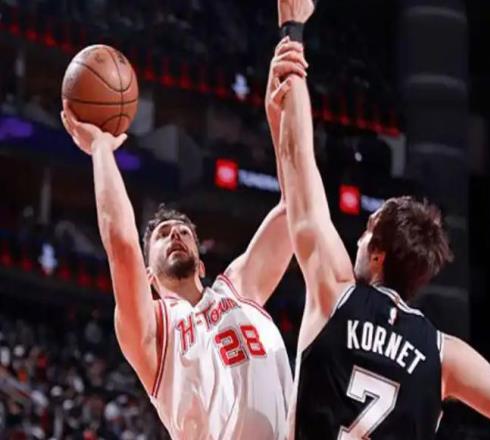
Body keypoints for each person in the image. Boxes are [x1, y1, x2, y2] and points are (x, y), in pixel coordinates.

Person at [59, 36, 308, 439]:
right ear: (148, 275)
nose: (175, 233)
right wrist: (101, 149)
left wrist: (277, 119)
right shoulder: (152, 330)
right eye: (162, 234)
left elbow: (293, 208)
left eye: (184, 232)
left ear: (202, 262)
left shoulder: (239, 288)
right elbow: (121, 244)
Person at [271, 0, 490, 438]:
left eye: (365, 233)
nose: (357, 242)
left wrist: (292, 31)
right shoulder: (445, 356)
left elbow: (300, 163)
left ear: (378, 255)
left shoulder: (334, 293)